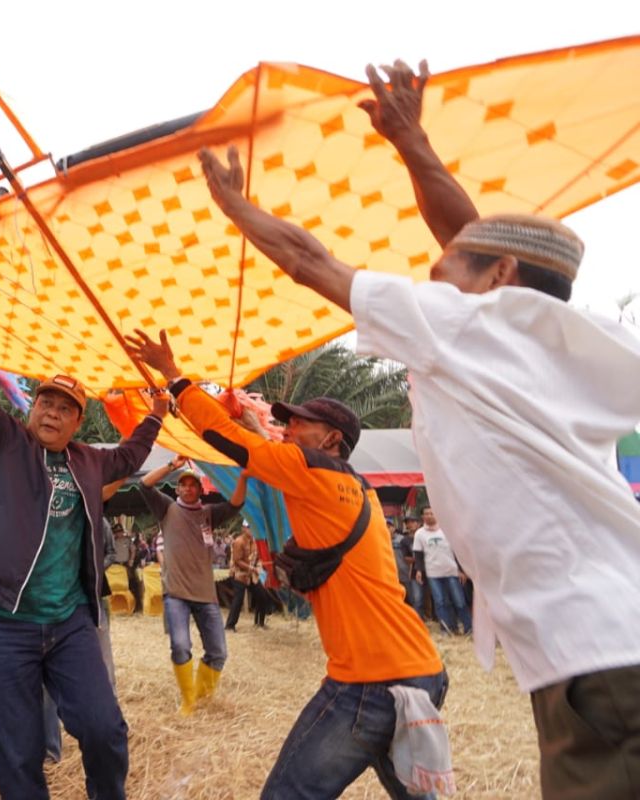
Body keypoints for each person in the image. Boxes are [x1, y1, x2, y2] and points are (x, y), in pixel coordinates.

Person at [204, 58, 640, 798]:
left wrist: (236, 207)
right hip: (607, 636)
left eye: (446, 273)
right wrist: (411, 143)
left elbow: (309, 259)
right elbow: (469, 236)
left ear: (498, 278)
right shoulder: (565, 335)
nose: (433, 280)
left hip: (598, 657)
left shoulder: (470, 328)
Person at [126, 333, 446, 799]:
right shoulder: (357, 488)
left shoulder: (308, 472)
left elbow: (224, 437)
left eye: (300, 425)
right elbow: (278, 459)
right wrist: (261, 431)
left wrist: (174, 377)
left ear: (333, 438)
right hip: (421, 670)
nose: (289, 429)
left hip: (370, 682)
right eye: (286, 424)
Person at [0, 269, 167, 800]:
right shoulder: (3, 442)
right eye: (46, 402)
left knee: (104, 729)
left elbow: (132, 455)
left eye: (65, 408)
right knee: (16, 753)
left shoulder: (90, 461)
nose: (52, 411)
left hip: (68, 623)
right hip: (4, 623)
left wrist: (156, 415)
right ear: (32, 409)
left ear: (76, 423)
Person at [139, 456, 245, 715]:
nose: (187, 488)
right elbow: (144, 484)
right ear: (177, 489)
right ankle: (188, 702)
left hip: (206, 595)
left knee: (218, 652)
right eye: (183, 485)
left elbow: (236, 503)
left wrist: (244, 475)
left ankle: (201, 697)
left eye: (192, 485)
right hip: (175, 593)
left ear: (200, 489)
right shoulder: (167, 509)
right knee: (180, 646)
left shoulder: (209, 515)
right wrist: (172, 465)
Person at [411, 507, 470, 635]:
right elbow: (418, 555)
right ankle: (447, 629)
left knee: (459, 601)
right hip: (433, 574)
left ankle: (469, 628)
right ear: (422, 517)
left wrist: (461, 569)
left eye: (432, 513)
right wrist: (419, 571)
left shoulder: (448, 530)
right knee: (440, 602)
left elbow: (458, 552)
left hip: (452, 572)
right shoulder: (419, 533)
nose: (429, 515)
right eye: (426, 513)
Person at [224, 521, 259, 631]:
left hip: (249, 574)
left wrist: (256, 566)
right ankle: (230, 625)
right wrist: (251, 568)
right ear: (244, 528)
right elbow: (237, 561)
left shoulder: (253, 541)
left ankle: (259, 622)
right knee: (238, 599)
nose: (251, 529)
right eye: (249, 527)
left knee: (262, 595)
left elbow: (255, 557)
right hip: (238, 574)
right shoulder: (239, 542)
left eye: (252, 527)